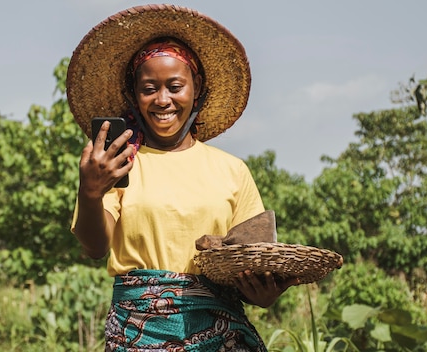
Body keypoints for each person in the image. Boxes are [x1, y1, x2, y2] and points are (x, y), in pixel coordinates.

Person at [67, 4, 299, 351]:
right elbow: (95, 247)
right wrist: (90, 191)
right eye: (149, 88)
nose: (163, 100)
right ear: (134, 94)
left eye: (175, 86)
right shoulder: (119, 163)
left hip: (221, 337)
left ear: (197, 88)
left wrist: (262, 292)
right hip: (137, 334)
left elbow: (249, 263)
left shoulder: (232, 171)